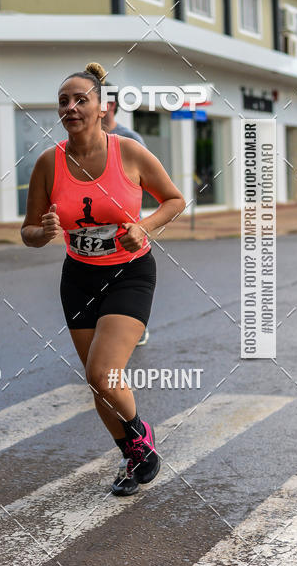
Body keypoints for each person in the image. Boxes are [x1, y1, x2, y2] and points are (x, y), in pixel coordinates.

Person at [21, 62, 185, 496]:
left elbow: (174, 199)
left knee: (102, 370)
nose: (71, 107)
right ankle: (134, 454)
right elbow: (28, 232)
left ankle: (139, 437)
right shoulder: (47, 163)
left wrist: (144, 227)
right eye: (63, 101)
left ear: (102, 107)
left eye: (81, 100)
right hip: (78, 278)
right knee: (99, 381)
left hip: (130, 272)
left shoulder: (128, 152)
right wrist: (45, 232)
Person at [102, 89, 151, 345]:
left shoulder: (130, 139)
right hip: (95, 229)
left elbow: (147, 179)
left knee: (127, 281)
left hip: (126, 228)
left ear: (109, 104)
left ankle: (136, 326)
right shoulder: (81, 142)